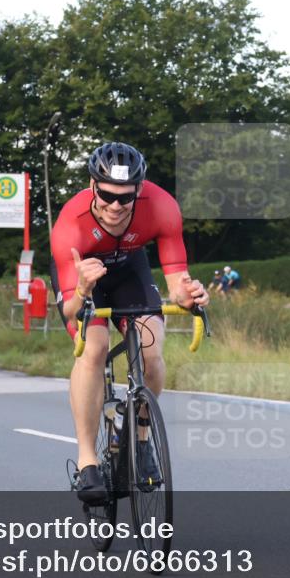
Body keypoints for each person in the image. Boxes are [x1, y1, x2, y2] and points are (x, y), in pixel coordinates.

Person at [49, 142, 209, 504]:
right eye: (107, 195)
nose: (116, 206)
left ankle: (139, 442)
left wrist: (191, 295)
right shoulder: (70, 225)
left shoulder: (163, 207)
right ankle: (88, 461)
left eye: (126, 197)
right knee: (95, 347)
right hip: (84, 277)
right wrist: (85, 287)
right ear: (93, 186)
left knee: (152, 349)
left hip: (128, 269)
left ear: (139, 188)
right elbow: (72, 309)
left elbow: (177, 286)